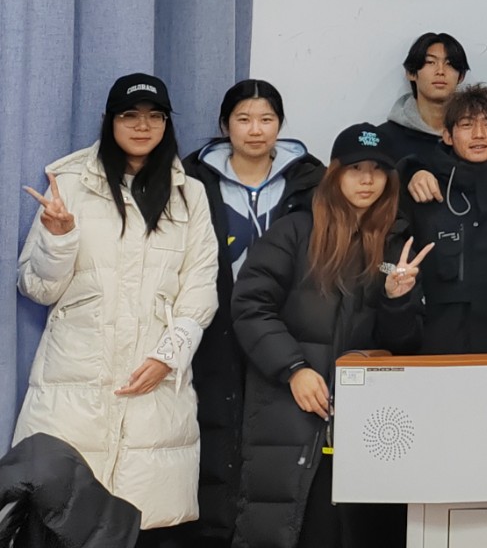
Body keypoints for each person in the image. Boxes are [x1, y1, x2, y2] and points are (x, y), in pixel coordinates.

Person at [15, 73, 221, 542]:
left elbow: (200, 286)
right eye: (130, 115)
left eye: (155, 116)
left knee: (141, 523)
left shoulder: (189, 194)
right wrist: (58, 237)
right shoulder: (69, 183)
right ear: (109, 121)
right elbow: (37, 287)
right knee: (60, 521)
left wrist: (168, 355)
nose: (142, 126)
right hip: (74, 386)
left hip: (153, 386)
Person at [231, 123, 427, 548]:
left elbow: (404, 344)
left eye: (378, 169)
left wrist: (396, 299)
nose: (367, 179)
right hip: (291, 412)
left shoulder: (396, 244)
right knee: (290, 526)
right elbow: (249, 306)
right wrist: (294, 369)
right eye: (356, 168)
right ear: (335, 172)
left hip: (366, 426)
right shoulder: (294, 231)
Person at [185, 79, 325, 546]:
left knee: (274, 447)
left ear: (280, 124)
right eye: (243, 119)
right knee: (215, 441)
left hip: (284, 332)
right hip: (212, 330)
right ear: (225, 124)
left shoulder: (311, 180)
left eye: (266, 119)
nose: (255, 129)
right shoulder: (190, 179)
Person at [403, 84, 487, 353]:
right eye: (466, 125)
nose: (478, 134)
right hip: (438, 347)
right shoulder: (425, 189)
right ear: (447, 135)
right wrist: (408, 170)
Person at [379, 32, 469, 162]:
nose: (440, 71)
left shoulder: (476, 137)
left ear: (461, 77)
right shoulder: (384, 138)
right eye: (430, 62)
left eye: (449, 64)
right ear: (411, 73)